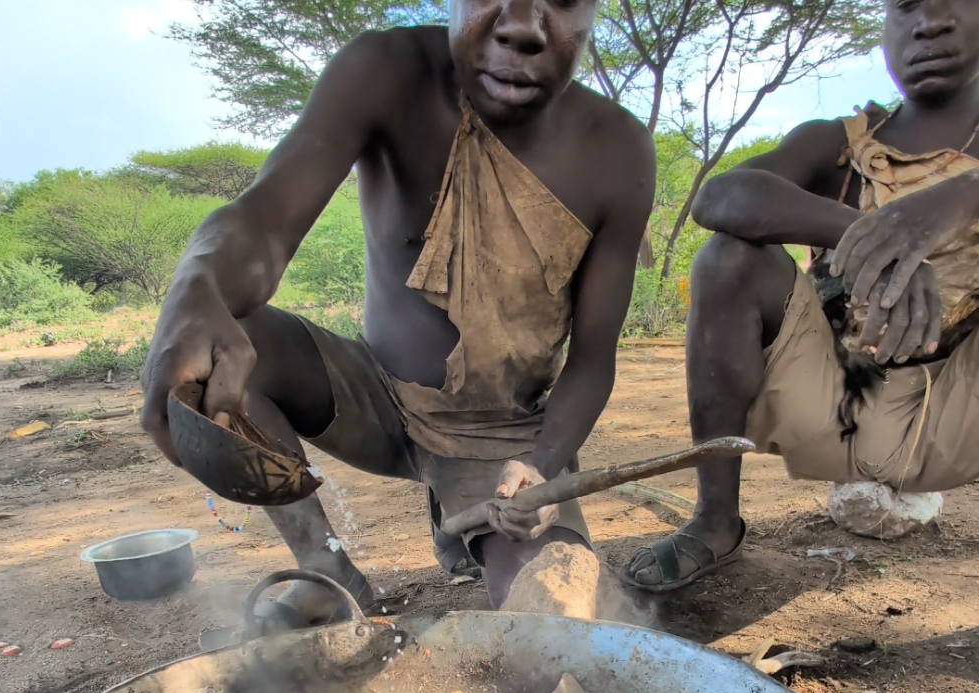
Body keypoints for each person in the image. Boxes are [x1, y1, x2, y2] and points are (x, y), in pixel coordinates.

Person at [141, 0, 655, 621]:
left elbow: (594, 360)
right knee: (226, 346)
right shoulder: (385, 71)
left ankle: (485, 532)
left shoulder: (619, 153)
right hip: (373, 397)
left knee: (550, 625)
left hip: (502, 438)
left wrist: (543, 469)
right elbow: (264, 222)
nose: (521, 24)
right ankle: (323, 571)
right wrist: (197, 285)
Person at [623, 0, 979, 593]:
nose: (930, 21)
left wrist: (958, 200)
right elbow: (719, 198)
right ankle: (716, 519)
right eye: (906, 5)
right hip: (839, 405)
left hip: (960, 414)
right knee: (727, 258)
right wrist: (867, 233)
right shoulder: (840, 145)